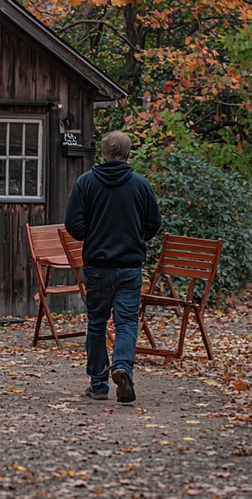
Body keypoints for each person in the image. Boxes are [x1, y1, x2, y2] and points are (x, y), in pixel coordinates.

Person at [64, 131, 161, 403]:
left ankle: (98, 385)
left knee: (96, 323)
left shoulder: (86, 183)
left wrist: (91, 235)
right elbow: (153, 223)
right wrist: (135, 237)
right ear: (128, 154)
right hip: (129, 266)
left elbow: (72, 223)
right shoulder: (141, 185)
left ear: (103, 154)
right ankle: (122, 366)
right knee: (127, 322)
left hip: (96, 265)